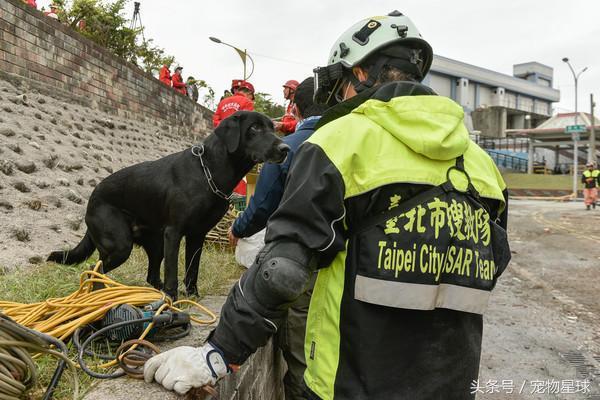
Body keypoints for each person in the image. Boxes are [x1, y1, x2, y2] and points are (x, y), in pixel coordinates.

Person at [144, 11, 511, 400]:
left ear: (361, 75)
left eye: (340, 85)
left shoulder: (340, 141)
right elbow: (493, 261)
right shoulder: (481, 164)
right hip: (453, 384)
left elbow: (282, 270)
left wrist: (218, 354)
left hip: (350, 384)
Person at [227, 77, 327, 399]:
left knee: (300, 359)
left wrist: (237, 229)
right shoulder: (354, 143)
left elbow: (261, 206)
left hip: (297, 268)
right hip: (344, 269)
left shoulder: (290, 147)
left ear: (295, 107)